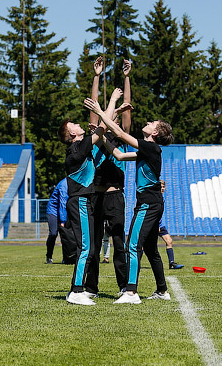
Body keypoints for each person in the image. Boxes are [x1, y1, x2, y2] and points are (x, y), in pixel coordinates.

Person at [85, 92, 174, 304]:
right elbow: (119, 155)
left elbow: (120, 132)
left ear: (156, 132)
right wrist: (103, 138)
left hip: (148, 204)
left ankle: (131, 292)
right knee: (151, 249)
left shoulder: (151, 147)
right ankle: (162, 291)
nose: (149, 122)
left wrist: (100, 112)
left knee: (132, 245)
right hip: (153, 203)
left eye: (153, 123)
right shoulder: (149, 149)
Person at [58, 89, 120, 306]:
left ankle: (79, 288)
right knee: (86, 248)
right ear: (72, 134)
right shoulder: (79, 146)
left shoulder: (78, 146)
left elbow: (103, 129)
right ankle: (76, 291)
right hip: (81, 201)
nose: (77, 124)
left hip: (83, 201)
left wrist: (111, 110)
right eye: (73, 124)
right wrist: (111, 101)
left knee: (90, 248)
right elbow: (103, 127)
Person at [89, 57, 132, 294]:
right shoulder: (96, 132)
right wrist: (97, 76)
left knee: (118, 243)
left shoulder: (122, 136)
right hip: (95, 195)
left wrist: (126, 78)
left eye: (114, 115)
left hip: (115, 196)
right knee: (93, 246)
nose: (113, 116)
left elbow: (127, 104)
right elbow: (94, 103)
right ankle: (91, 287)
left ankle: (124, 287)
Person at [46, 177, 76, 264]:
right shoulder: (64, 184)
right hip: (53, 211)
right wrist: (63, 221)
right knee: (53, 233)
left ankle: (66, 258)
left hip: (64, 211)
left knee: (66, 235)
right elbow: (63, 203)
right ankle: (49, 256)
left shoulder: (73, 183)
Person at [158, 180, 184, 270]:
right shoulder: (155, 197)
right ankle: (135, 264)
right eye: (160, 187)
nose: (162, 188)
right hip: (152, 224)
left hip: (159, 224)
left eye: (163, 187)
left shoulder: (161, 197)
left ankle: (171, 263)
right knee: (143, 245)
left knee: (169, 241)